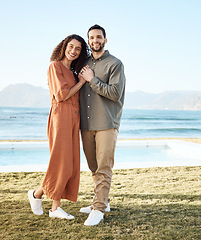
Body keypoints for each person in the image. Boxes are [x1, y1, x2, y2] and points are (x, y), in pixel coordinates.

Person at [28, 34, 89, 219]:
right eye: (71, 46)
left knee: (69, 165)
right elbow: (62, 95)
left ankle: (37, 194)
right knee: (61, 163)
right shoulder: (55, 66)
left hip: (73, 119)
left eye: (78, 49)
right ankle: (54, 208)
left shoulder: (72, 72)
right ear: (64, 47)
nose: (73, 51)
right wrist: (82, 82)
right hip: (60, 117)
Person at [78, 24, 126, 226]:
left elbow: (115, 94)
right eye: (91, 37)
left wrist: (92, 79)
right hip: (86, 124)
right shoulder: (84, 63)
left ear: (105, 40)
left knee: (104, 167)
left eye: (98, 37)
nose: (95, 40)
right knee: (93, 167)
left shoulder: (115, 64)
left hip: (107, 123)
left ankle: (98, 209)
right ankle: (103, 202)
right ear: (88, 41)